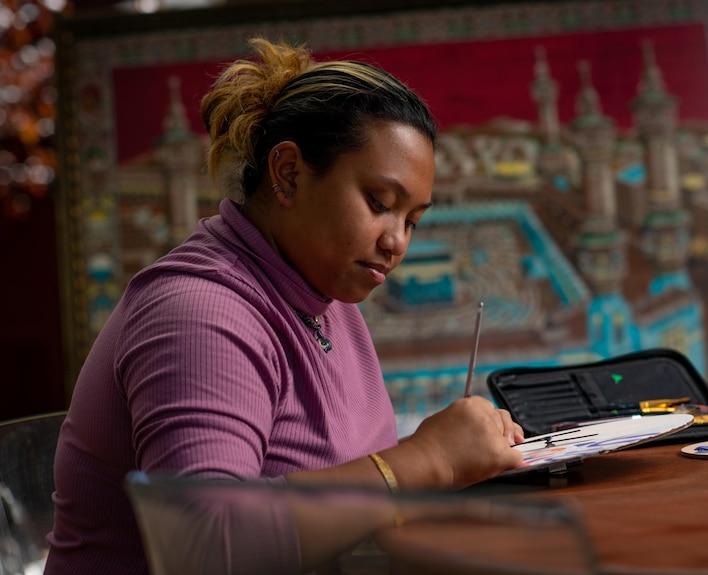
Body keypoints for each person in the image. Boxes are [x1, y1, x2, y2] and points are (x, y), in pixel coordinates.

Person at [45, 37, 524, 574]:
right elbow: (201, 546)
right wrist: (427, 459)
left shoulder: (324, 295)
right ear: (289, 173)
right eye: (379, 204)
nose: (397, 242)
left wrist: (457, 458)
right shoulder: (200, 313)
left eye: (412, 220)